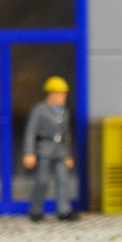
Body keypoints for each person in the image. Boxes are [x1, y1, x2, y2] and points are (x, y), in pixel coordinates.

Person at [22, 76, 78, 222]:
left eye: (64, 94)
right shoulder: (39, 110)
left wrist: (68, 155)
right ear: (51, 94)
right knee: (42, 181)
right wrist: (29, 152)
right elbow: (31, 132)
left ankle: (64, 210)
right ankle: (36, 210)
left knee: (63, 180)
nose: (63, 97)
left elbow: (66, 135)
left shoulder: (64, 112)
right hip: (44, 150)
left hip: (60, 151)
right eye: (60, 94)